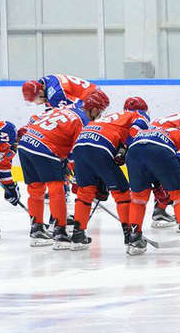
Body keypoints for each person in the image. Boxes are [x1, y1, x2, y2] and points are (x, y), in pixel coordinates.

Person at [17, 90, 110, 249]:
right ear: (94, 109)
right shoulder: (83, 121)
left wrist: (65, 163)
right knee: (56, 189)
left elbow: (37, 121)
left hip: (25, 143)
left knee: (35, 188)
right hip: (45, 148)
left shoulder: (66, 108)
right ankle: (60, 234)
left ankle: (37, 230)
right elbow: (77, 154)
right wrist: (84, 178)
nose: (100, 114)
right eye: (100, 111)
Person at [69, 97, 150, 250]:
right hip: (101, 145)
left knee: (85, 192)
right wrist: (125, 148)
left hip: (80, 144)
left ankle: (77, 235)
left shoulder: (112, 116)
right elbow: (138, 127)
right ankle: (131, 237)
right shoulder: (138, 115)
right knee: (122, 192)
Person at [125, 122, 180, 257]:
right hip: (159, 151)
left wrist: (159, 179)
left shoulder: (147, 131)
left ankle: (134, 240)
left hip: (133, 153)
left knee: (138, 197)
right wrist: (170, 178)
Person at [22, 74, 98, 110]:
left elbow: (79, 106)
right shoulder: (46, 80)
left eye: (34, 100)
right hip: (92, 91)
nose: (36, 103)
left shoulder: (55, 96)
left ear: (41, 93)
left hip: (94, 99)